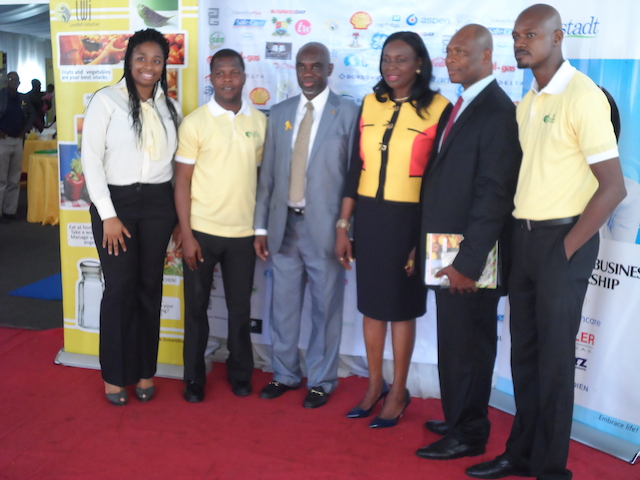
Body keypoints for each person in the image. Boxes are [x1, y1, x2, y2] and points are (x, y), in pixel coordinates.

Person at [466, 5, 626, 480]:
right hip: (526, 239)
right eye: (517, 35)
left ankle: (551, 468)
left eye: (531, 34)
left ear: (557, 38)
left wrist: (567, 249)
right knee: (525, 357)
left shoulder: (583, 96)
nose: (521, 42)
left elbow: (613, 188)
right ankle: (520, 454)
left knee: (555, 363)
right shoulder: (529, 100)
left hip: (563, 241)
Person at [414, 25, 521, 461]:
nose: (451, 58)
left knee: (470, 348)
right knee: (455, 345)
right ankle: (458, 416)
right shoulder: (458, 106)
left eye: (460, 51)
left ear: (486, 56)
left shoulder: (497, 112)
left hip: (471, 260)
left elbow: (494, 197)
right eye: (449, 51)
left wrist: (468, 265)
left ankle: (470, 434)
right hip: (446, 251)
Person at [335, 31, 449, 427]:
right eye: (386, 59)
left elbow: (438, 181)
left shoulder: (440, 109)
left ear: (419, 64)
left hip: (410, 222)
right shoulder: (370, 104)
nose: (392, 66)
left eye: (401, 59)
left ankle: (399, 392)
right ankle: (374, 386)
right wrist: (343, 224)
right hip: (370, 218)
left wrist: (422, 239)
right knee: (371, 307)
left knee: (401, 310)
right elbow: (356, 169)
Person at [254, 42, 359, 409]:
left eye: (316, 66)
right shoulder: (280, 112)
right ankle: (284, 373)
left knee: (325, 309)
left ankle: (321, 380)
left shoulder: (349, 113)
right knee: (282, 308)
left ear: (329, 69)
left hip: (327, 231)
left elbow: (354, 178)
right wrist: (260, 228)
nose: (308, 73)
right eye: (302, 66)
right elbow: (268, 177)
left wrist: (346, 228)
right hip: (283, 227)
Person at [81, 28, 182, 406]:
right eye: (141, 58)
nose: (148, 66)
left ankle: (144, 371)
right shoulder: (106, 101)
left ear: (164, 65)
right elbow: (91, 161)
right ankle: (114, 376)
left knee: (149, 288)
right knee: (120, 289)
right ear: (128, 60)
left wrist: (178, 217)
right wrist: (108, 214)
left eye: (156, 60)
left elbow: (177, 168)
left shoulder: (171, 108)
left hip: (158, 204)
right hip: (116, 204)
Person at [175, 49, 266, 403]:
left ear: (244, 76)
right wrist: (186, 233)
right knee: (196, 310)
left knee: (240, 311)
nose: (227, 79)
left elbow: (262, 180)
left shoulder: (259, 122)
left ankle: (240, 374)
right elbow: (182, 181)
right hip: (201, 233)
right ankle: (194, 378)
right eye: (220, 73)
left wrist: (260, 229)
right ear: (210, 78)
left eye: (234, 72)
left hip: (243, 234)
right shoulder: (195, 122)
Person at [0, 72, 35, 224]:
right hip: (3, 140)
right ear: (5, 81)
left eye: (15, 80)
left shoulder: (23, 98)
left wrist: (25, 130)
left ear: (19, 83)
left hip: (18, 141)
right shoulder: (1, 96)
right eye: (10, 79)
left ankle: (10, 210)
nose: (12, 81)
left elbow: (32, 114)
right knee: (1, 179)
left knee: (14, 178)